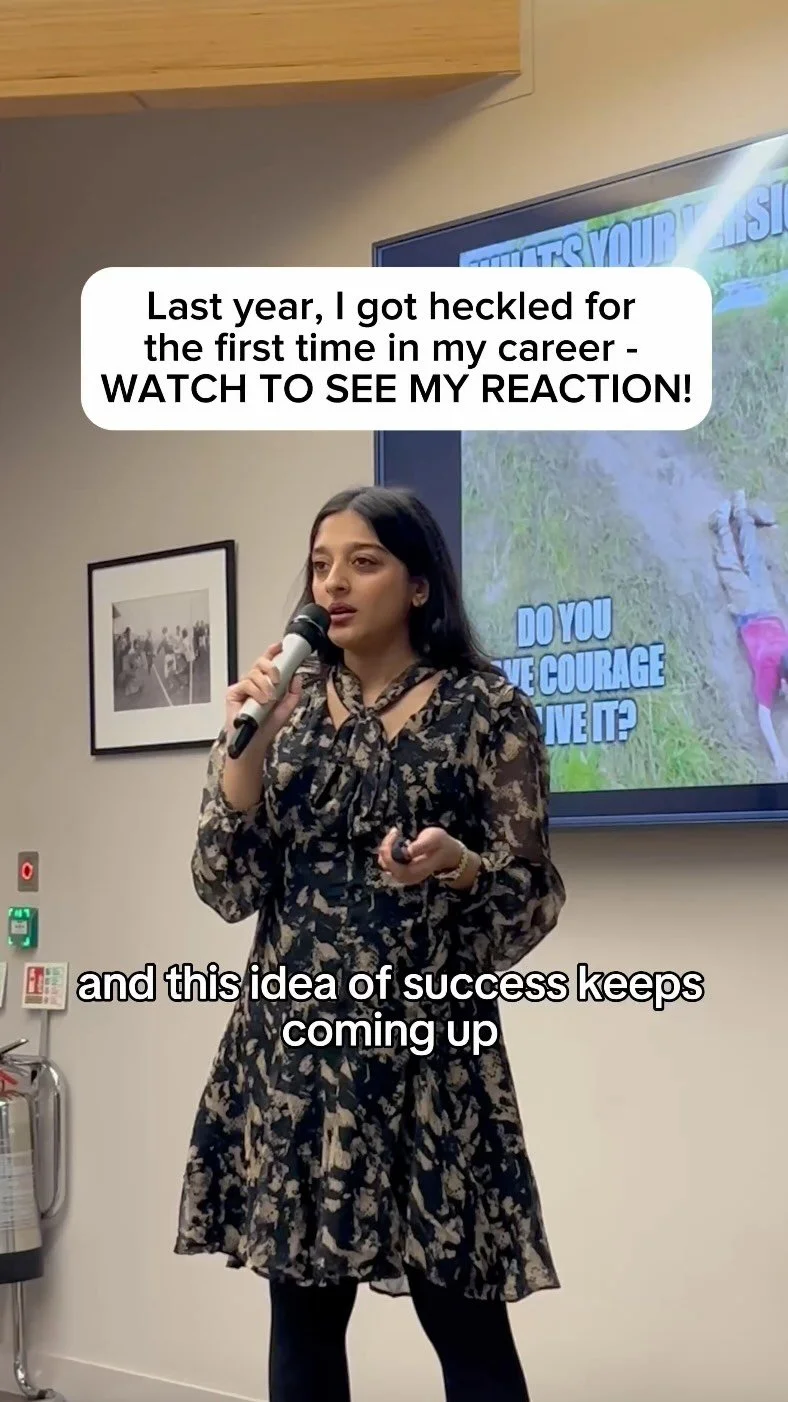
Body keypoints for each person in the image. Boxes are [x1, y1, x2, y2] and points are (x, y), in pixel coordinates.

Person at [175, 485, 567, 1401]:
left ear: (419, 584)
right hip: (296, 1059)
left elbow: (531, 900)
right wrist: (246, 749)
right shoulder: (285, 711)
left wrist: (458, 866)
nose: (333, 585)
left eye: (363, 562)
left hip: (431, 1062)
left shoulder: (487, 710)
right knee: (303, 1335)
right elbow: (224, 885)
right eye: (321, 566)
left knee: (469, 1331)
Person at [709, 488, 788, 778]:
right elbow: (763, 715)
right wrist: (779, 758)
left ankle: (740, 510)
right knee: (731, 566)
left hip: (769, 610)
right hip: (751, 610)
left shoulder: (782, 661)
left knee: (753, 560)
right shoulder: (769, 667)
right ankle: (722, 520)